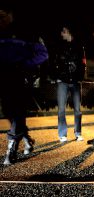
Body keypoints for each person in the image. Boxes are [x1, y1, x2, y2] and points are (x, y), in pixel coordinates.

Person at [0, 8, 48, 164]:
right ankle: (26, 139)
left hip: (19, 76)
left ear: (11, 14)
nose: (1, 15)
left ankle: (11, 149)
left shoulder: (26, 32)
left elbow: (43, 54)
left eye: (4, 12)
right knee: (9, 111)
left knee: (17, 111)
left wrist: (25, 65)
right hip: (2, 76)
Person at [50, 25, 86, 142]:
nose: (62, 34)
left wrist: (80, 77)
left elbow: (83, 63)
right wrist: (56, 77)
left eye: (63, 32)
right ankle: (62, 134)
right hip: (63, 81)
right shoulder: (59, 46)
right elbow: (54, 61)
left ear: (69, 32)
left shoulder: (79, 46)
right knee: (61, 109)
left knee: (77, 109)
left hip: (75, 81)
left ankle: (78, 132)